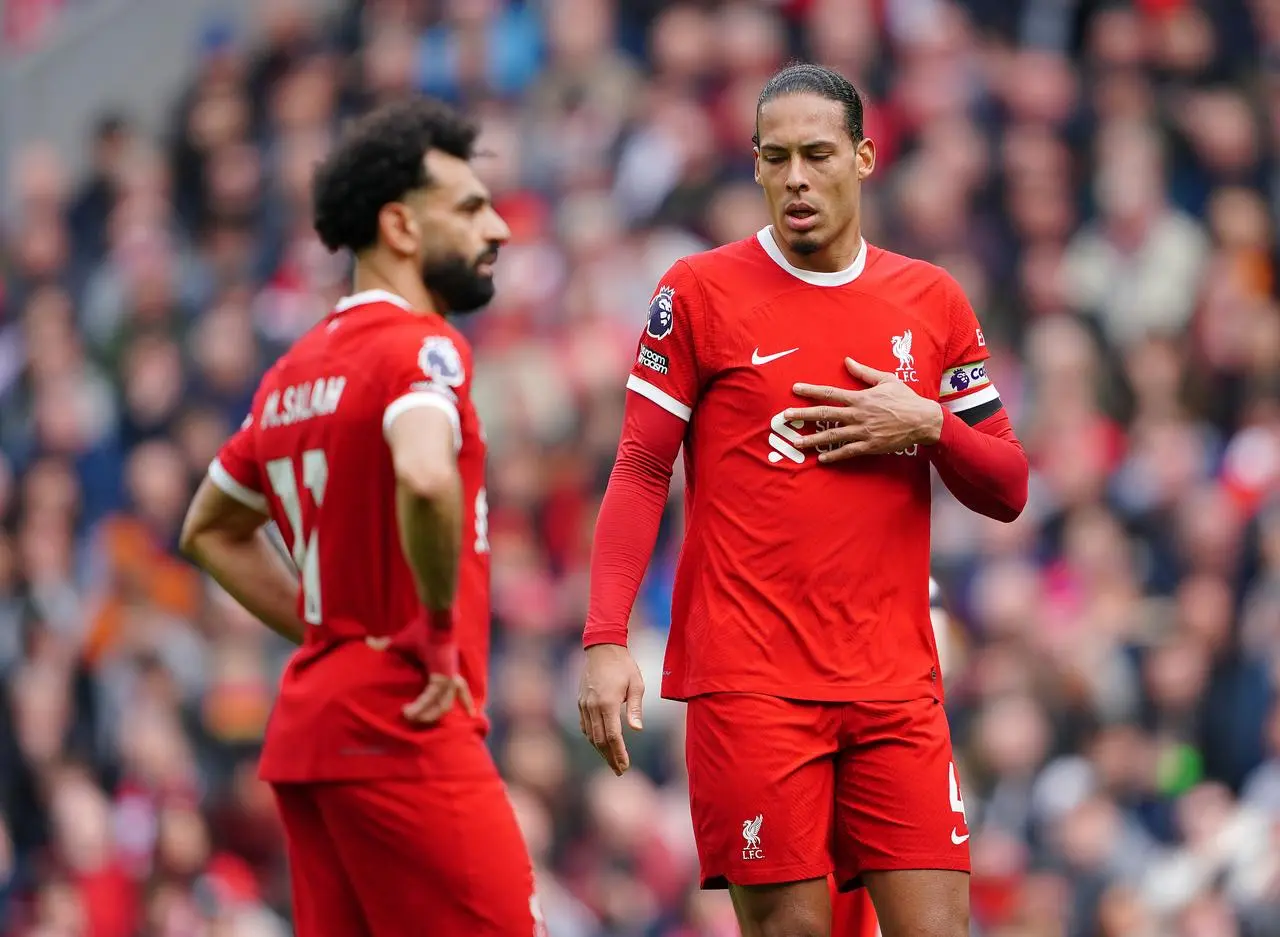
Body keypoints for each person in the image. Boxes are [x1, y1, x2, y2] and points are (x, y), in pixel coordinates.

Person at [578, 63, 1029, 937]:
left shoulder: (930, 299)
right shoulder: (698, 291)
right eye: (774, 157)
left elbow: (1008, 486)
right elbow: (640, 467)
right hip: (752, 685)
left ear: (863, 157)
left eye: (817, 154)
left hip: (896, 684)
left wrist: (929, 421)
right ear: (752, 165)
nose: (795, 177)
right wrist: (605, 639)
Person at [179, 98, 544, 937]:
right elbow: (423, 473)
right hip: (405, 722)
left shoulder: (288, 376)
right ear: (401, 228)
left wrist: (329, 627)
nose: (499, 229)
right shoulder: (422, 349)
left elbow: (210, 528)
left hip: (314, 734)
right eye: (469, 207)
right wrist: (437, 627)